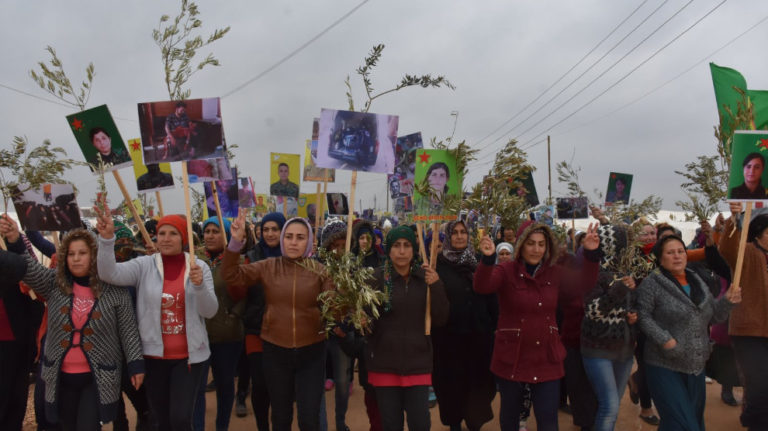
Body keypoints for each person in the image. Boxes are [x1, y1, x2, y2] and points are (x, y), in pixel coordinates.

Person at [0, 218, 145, 431]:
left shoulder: (115, 291)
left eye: (83, 253)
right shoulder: (55, 284)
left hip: (97, 378)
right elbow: (28, 270)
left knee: (87, 426)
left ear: (94, 256)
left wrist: (135, 364)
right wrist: (15, 241)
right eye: (71, 254)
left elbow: (129, 331)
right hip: (59, 378)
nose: (76, 259)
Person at [96, 209, 218, 431]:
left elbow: (209, 311)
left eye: (173, 233)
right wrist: (106, 240)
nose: (166, 238)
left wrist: (199, 286)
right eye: (162, 233)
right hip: (154, 357)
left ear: (184, 238)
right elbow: (108, 274)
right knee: (160, 420)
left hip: (190, 358)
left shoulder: (199, 267)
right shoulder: (144, 265)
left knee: (180, 419)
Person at [474, 221, 601, 431]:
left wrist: (591, 254)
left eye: (541, 244)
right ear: (521, 245)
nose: (536, 249)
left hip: (546, 355)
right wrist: (487, 260)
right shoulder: (506, 270)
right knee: (510, 417)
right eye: (531, 243)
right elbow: (482, 286)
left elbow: (583, 283)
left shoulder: (554, 273)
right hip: (512, 355)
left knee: (548, 418)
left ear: (547, 246)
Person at [221, 209, 332, 431]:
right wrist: (234, 243)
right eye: (289, 236)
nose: (293, 242)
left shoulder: (322, 272)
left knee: (309, 419)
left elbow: (335, 314)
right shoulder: (268, 267)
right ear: (282, 239)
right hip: (275, 351)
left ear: (310, 240)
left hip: (312, 352)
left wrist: (344, 297)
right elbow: (231, 276)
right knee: (281, 417)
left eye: (300, 238)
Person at [637, 234, 740, 430]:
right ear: (660, 258)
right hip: (664, 364)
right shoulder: (652, 283)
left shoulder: (697, 280)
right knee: (681, 423)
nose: (677, 256)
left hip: (695, 365)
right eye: (670, 252)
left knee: (690, 420)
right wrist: (666, 341)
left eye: (680, 251)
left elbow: (714, 316)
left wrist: (727, 301)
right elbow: (643, 317)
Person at [365, 225, 449, 431]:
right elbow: (366, 322)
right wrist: (361, 319)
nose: (401, 251)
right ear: (388, 249)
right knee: (391, 424)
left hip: (417, 363)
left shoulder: (426, 278)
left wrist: (436, 286)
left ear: (414, 249)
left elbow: (441, 318)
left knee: (420, 423)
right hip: (385, 364)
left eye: (406, 245)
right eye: (396, 246)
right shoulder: (375, 278)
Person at [432, 221, 497, 431]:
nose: (459, 236)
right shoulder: (438, 265)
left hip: (478, 338)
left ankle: (474, 422)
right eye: (455, 233)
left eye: (463, 232)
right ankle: (454, 423)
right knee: (452, 385)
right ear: (447, 236)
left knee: (477, 384)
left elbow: (491, 297)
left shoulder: (478, 263)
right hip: (449, 340)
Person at [228, 212, 286, 431]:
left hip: (285, 330)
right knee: (260, 384)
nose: (270, 233)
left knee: (280, 387)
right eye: (266, 229)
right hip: (256, 329)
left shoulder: (293, 257)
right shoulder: (251, 256)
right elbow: (237, 289)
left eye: (275, 229)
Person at [719, 203, 768, 429]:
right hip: (749, 331)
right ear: (761, 232)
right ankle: (753, 423)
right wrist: (734, 218)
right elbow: (728, 246)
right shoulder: (745, 252)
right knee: (758, 386)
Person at [193, 217, 244, 431]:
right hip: (199, 334)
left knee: (224, 385)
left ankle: (221, 426)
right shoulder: (193, 260)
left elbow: (244, 295)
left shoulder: (237, 261)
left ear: (226, 235)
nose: (210, 235)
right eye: (207, 231)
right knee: (196, 389)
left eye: (216, 231)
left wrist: (233, 315)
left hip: (227, 335)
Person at [580, 271, 638, 431]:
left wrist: (633, 314)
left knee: (613, 405)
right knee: (610, 407)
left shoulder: (632, 272)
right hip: (598, 349)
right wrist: (621, 287)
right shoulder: (593, 271)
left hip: (624, 351)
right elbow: (592, 311)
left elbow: (634, 304)